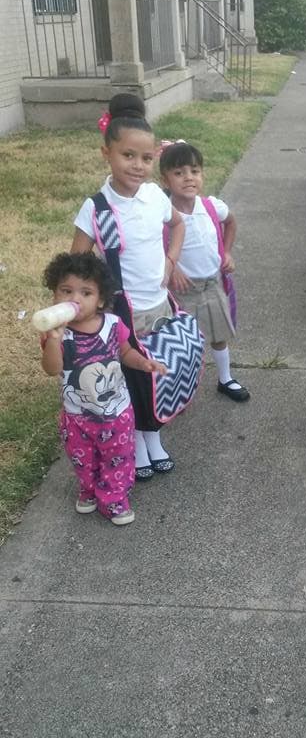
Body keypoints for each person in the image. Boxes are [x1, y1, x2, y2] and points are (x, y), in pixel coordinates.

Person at [71, 93, 185, 480]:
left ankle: (153, 437)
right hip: (123, 312)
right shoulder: (97, 208)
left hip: (159, 305)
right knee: (130, 379)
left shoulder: (154, 196)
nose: (138, 166)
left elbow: (178, 224)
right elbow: (77, 267)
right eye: (128, 156)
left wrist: (170, 260)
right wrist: (81, 309)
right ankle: (136, 443)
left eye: (146, 158)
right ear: (107, 153)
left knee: (154, 374)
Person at [40, 252, 167, 524]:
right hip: (77, 416)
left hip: (116, 413)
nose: (75, 298)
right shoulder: (58, 333)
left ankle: (114, 499)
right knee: (83, 461)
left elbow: (126, 352)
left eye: (85, 292)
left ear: (100, 299)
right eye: (66, 291)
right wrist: (53, 340)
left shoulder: (112, 324)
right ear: (54, 294)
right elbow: (52, 368)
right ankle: (88, 490)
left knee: (117, 458)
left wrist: (143, 363)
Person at [159, 140, 249, 402]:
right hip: (181, 291)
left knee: (219, 335)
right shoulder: (162, 214)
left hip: (212, 284)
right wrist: (171, 267)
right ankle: (182, 386)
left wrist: (227, 252)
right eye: (179, 173)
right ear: (165, 180)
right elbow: (152, 245)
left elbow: (231, 222)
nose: (189, 178)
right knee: (184, 342)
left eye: (195, 171)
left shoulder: (211, 206)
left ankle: (225, 378)